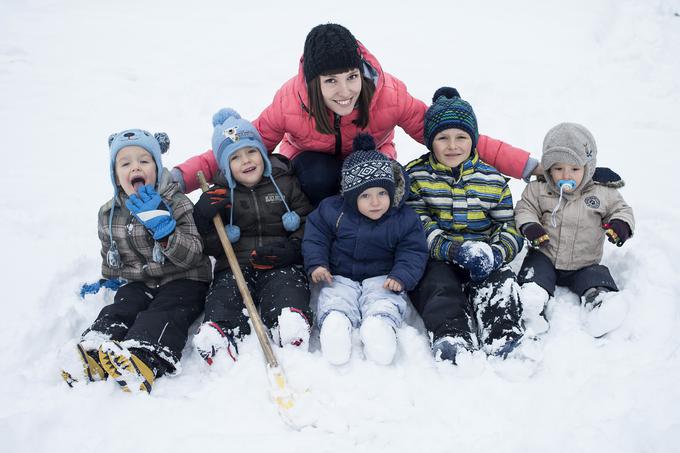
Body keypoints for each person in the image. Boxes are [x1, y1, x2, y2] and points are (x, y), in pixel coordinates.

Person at [170, 23, 537, 205]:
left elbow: (450, 136)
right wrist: (177, 178)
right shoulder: (289, 102)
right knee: (314, 173)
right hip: (314, 172)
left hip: (372, 165)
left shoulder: (388, 94)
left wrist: (527, 166)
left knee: (389, 187)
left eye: (351, 77)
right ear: (314, 83)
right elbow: (240, 145)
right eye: (331, 81)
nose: (345, 91)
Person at [60, 129, 212, 393]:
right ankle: (97, 346)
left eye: (144, 161)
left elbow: (194, 253)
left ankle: (145, 353)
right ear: (115, 175)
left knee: (166, 310)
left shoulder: (176, 202)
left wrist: (165, 231)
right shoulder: (109, 212)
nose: (135, 168)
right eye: (125, 163)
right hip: (141, 280)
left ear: (157, 166)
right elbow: (111, 253)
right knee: (124, 304)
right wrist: (109, 279)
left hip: (184, 277)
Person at [405, 88, 530, 367]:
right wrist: (451, 250)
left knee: (501, 281)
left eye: (461, 137)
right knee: (436, 286)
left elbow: (509, 225)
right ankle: (451, 335)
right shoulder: (416, 176)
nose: (452, 146)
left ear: (472, 140)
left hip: (483, 251)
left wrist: (496, 253)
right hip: (439, 255)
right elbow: (417, 223)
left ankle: (504, 334)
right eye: (443, 138)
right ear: (430, 142)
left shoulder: (492, 179)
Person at [191, 108, 314, 366]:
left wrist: (293, 248)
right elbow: (211, 246)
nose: (246, 160)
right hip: (235, 264)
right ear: (225, 165)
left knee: (287, 284)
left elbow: (306, 220)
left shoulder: (285, 182)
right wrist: (203, 219)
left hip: (280, 259)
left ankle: (289, 324)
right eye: (235, 157)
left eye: (251, 151)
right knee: (224, 292)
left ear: (262, 153)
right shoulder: (219, 194)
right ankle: (219, 332)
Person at [302, 133, 428, 366]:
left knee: (385, 300)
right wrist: (317, 264)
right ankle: (335, 323)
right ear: (351, 197)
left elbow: (413, 251)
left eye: (382, 193)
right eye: (365, 196)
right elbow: (315, 236)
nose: (376, 202)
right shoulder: (333, 211)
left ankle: (380, 325)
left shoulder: (404, 219)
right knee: (335, 297)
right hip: (340, 276)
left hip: (383, 278)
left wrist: (401, 276)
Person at [515, 122, 635, 338]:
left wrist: (621, 224)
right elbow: (525, 208)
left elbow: (621, 209)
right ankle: (532, 303)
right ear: (548, 168)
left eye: (574, 169)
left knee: (596, 276)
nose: (565, 175)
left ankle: (599, 302)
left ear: (588, 168)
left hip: (584, 261)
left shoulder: (602, 192)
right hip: (546, 255)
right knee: (534, 271)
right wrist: (530, 226)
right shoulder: (538, 188)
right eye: (558, 168)